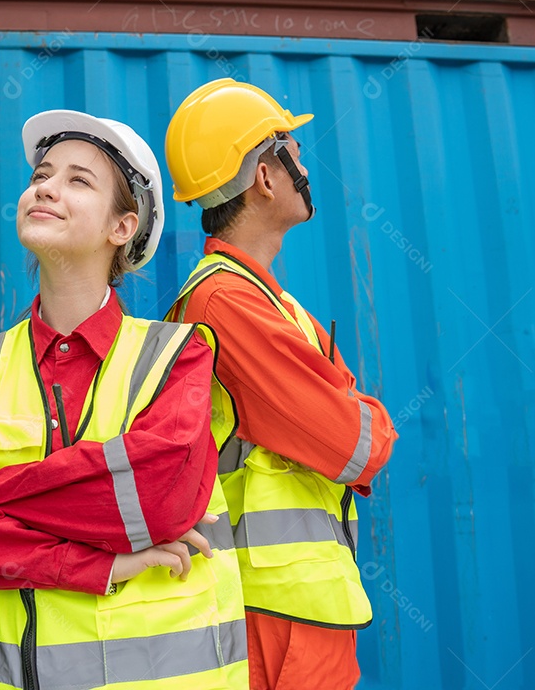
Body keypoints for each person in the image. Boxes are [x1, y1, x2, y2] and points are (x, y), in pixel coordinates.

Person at [0, 109, 249, 690]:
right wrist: (102, 562)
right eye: (42, 174)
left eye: (78, 180)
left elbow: (156, 499)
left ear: (122, 228)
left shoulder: (177, 355)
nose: (45, 187)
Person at [164, 78, 399, 690]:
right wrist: (353, 403)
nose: (304, 166)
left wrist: (344, 401)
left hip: (299, 617)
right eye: (291, 151)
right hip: (272, 626)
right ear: (265, 177)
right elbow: (355, 442)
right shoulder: (224, 303)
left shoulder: (268, 300)